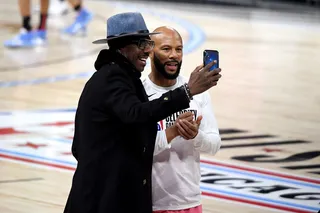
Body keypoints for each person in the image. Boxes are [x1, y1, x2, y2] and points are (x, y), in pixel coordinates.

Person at [63, 12, 222, 213]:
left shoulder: (124, 78)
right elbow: (136, 115)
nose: (147, 50)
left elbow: (81, 147)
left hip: (139, 197)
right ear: (122, 46)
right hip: (104, 198)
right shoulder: (113, 78)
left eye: (147, 43)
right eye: (141, 44)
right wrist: (186, 95)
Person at [143, 26, 222, 213]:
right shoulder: (140, 92)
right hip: (149, 203)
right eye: (166, 49)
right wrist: (173, 131)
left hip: (188, 201)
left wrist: (196, 135)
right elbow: (137, 149)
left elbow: (214, 144)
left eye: (179, 49)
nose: (174, 55)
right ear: (150, 52)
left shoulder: (198, 92)